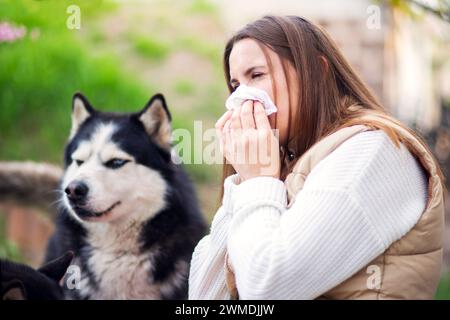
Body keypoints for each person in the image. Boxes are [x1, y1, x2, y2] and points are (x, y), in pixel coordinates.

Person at [188, 15, 446, 300]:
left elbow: (268, 289)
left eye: (257, 75)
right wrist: (244, 178)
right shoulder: (280, 166)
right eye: (236, 85)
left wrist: (257, 180)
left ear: (316, 71)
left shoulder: (373, 150)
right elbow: (205, 296)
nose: (239, 99)